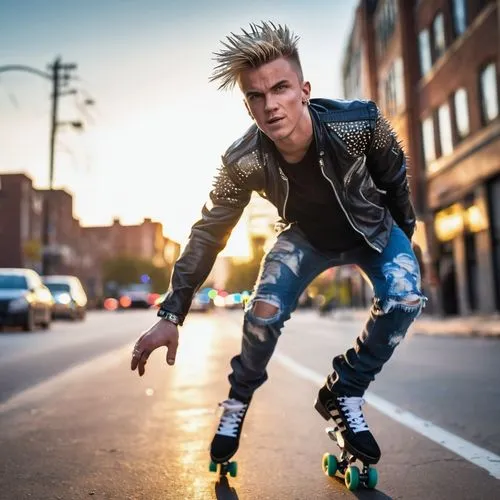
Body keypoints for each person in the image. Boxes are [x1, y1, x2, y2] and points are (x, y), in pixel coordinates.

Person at [131, 22, 426, 467]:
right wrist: (171, 314)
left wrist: (405, 241)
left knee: (405, 296)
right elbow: (209, 231)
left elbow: (394, 178)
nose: (270, 105)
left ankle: (345, 387)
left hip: (373, 230)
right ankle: (238, 399)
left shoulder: (358, 123)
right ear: (247, 105)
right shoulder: (242, 160)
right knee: (264, 312)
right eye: (255, 96)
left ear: (304, 89)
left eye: (280, 88)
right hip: (304, 238)